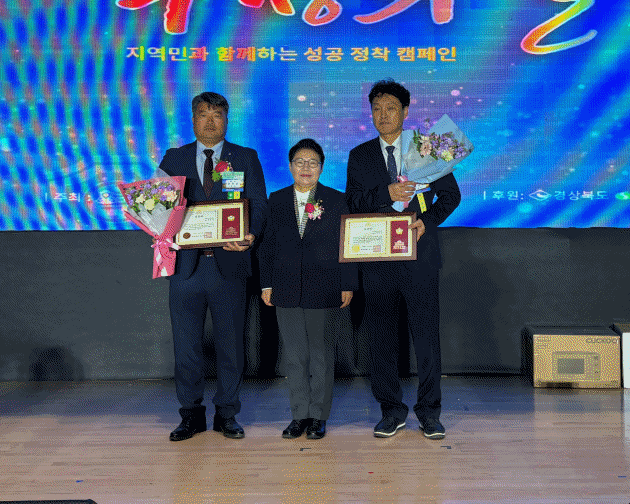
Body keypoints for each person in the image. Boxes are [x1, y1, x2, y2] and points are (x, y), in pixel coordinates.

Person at [345, 79, 461, 440]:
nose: (384, 115)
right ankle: (391, 411)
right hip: (378, 259)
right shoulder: (360, 155)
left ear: (406, 112)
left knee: (426, 338)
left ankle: (430, 412)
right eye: (377, 109)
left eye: (391, 108)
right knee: (381, 339)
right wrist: (387, 192)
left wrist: (427, 221)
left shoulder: (426, 147)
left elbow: (450, 196)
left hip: (419, 258)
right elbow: (353, 203)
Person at [158, 92, 267, 441]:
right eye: (203, 114)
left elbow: (259, 205)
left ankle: (227, 414)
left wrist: (250, 235)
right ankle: (190, 415)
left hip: (229, 264)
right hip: (185, 267)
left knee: (231, 346)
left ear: (226, 120)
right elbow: (158, 206)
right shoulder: (174, 158)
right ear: (193, 120)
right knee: (186, 347)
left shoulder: (245, 157)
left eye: (217, 114)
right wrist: (157, 226)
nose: (209, 121)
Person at [259, 138, 357, 440]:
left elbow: (347, 243)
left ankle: (318, 417)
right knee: (295, 357)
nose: (306, 167)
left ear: (321, 168)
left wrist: (347, 283)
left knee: (321, 356)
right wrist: (266, 282)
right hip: (285, 288)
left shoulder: (336, 200)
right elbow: (267, 245)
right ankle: (299, 415)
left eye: (312, 162)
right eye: (300, 162)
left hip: (324, 287)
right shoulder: (276, 200)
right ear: (290, 166)